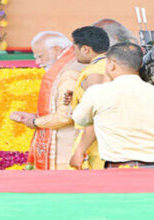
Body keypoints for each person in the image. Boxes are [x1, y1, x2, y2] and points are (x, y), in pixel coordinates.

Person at [70, 42, 154, 169]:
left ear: (111, 65)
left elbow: (80, 120)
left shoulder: (98, 93)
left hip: (123, 169)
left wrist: (106, 80)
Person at [9, 31, 85, 170]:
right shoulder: (68, 65)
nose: (37, 62)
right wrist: (35, 117)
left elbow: (65, 115)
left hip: (66, 155)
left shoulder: (69, 72)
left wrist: (35, 122)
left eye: (40, 56)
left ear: (56, 50)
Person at [68, 26, 110, 169]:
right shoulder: (111, 65)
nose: (73, 53)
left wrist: (80, 151)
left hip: (96, 147)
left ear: (86, 49)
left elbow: (96, 114)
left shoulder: (96, 72)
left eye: (75, 48)